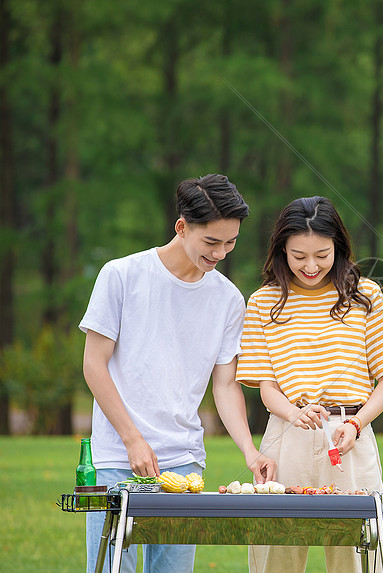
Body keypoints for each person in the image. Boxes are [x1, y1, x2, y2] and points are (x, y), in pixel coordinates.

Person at [80, 174, 276, 573]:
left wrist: (249, 450)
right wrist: (133, 439)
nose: (221, 253)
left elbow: (224, 386)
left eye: (231, 242)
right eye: (211, 242)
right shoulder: (121, 276)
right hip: (119, 457)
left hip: (184, 464)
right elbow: (93, 365)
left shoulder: (228, 299)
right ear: (182, 227)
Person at [237, 196, 383, 573]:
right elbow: (267, 387)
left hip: (350, 438)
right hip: (287, 438)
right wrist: (295, 413)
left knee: (359, 558)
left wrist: (356, 424)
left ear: (339, 247)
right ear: (282, 249)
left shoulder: (366, 296)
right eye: (298, 256)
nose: (310, 266)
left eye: (322, 254)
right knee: (275, 557)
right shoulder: (264, 302)